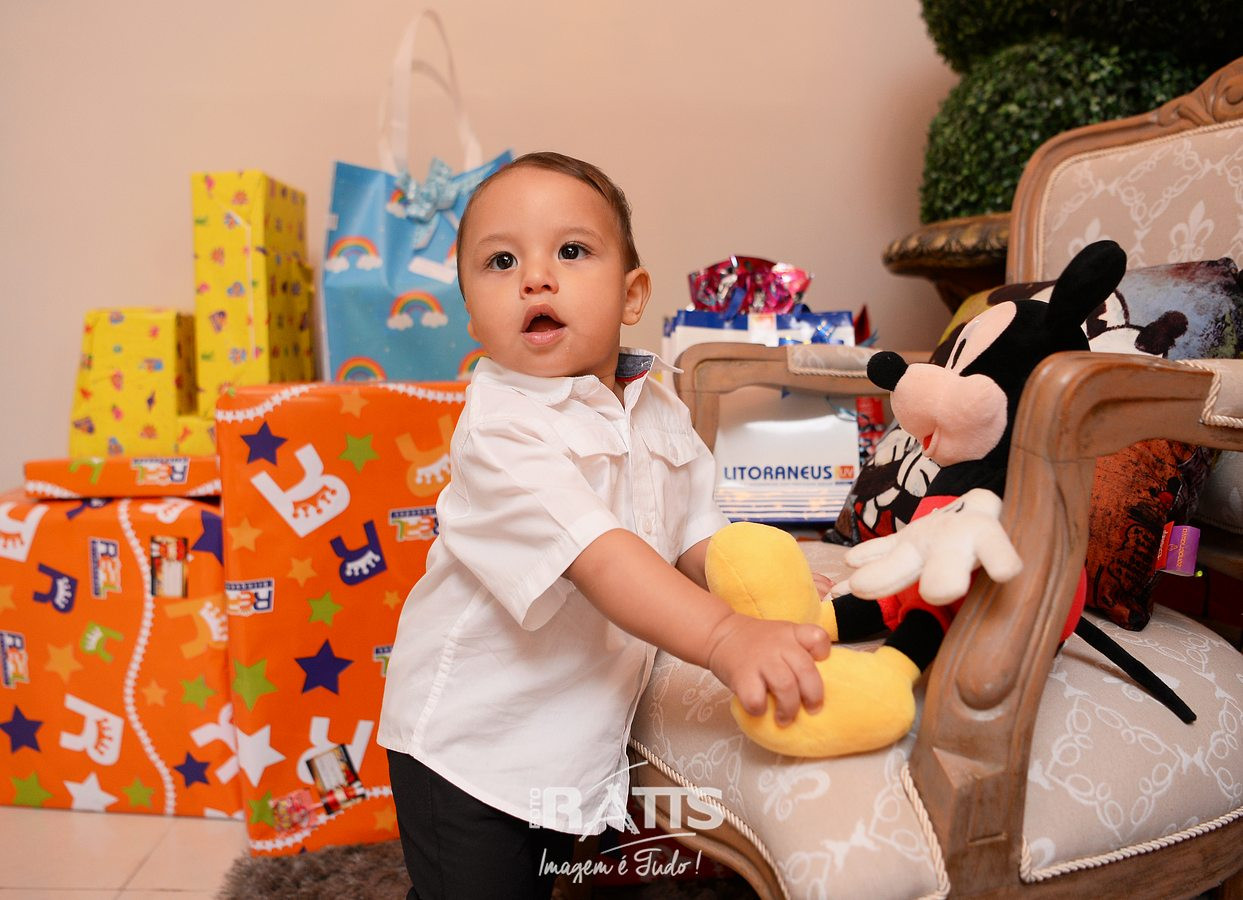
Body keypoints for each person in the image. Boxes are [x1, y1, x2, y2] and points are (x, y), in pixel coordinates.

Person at [378, 151, 830, 899]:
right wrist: (724, 638)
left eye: (571, 251)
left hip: (569, 734)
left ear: (631, 295)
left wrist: (776, 603)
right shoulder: (501, 432)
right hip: (471, 747)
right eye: (500, 262)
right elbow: (604, 558)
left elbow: (697, 534)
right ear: (472, 316)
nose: (535, 278)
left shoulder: (655, 404)